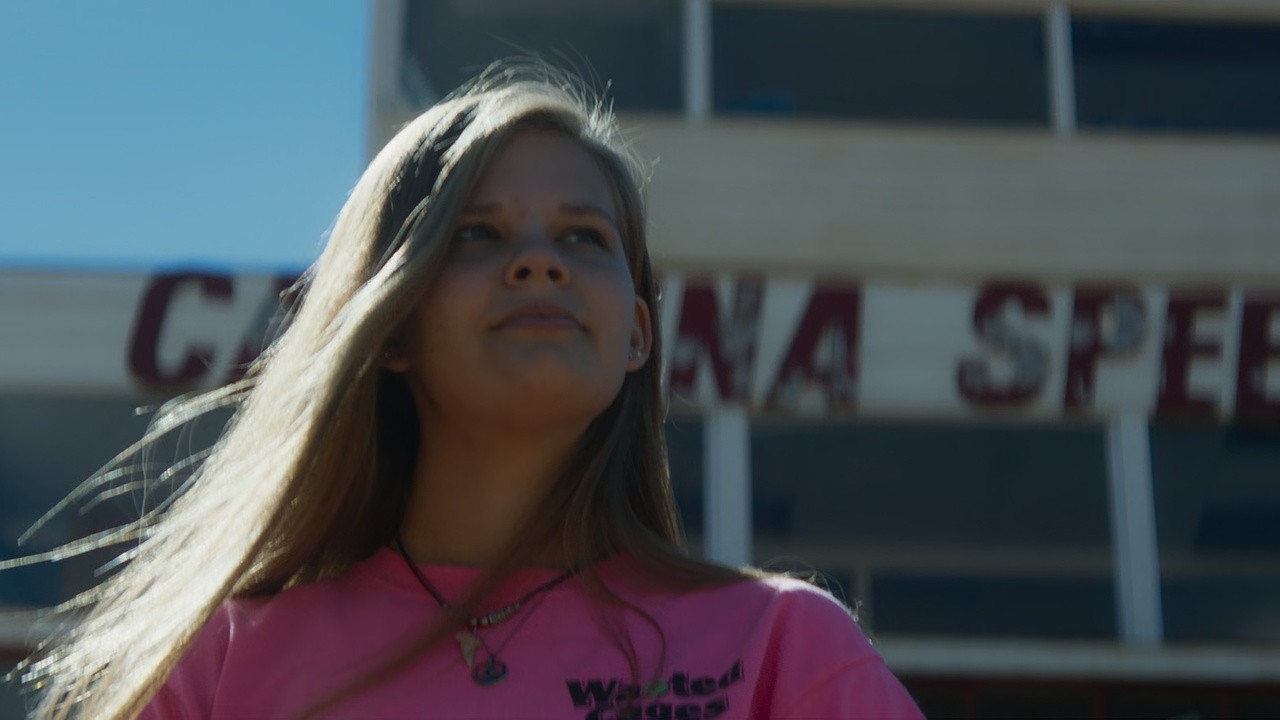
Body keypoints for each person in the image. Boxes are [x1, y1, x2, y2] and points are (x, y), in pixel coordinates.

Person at [19, 67, 924, 719]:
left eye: (584, 238)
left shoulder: (781, 649)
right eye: (478, 236)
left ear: (638, 333)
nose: (538, 260)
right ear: (396, 325)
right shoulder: (222, 664)